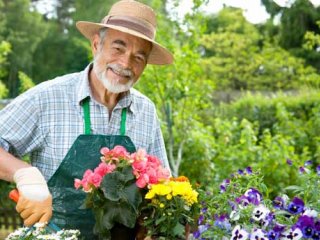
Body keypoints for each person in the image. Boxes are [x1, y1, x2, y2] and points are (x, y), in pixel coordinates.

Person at [0, 0, 173, 239]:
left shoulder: (145, 111)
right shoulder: (48, 98)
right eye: (118, 48)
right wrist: (25, 175)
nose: (125, 64)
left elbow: (163, 184)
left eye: (138, 57)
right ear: (96, 45)